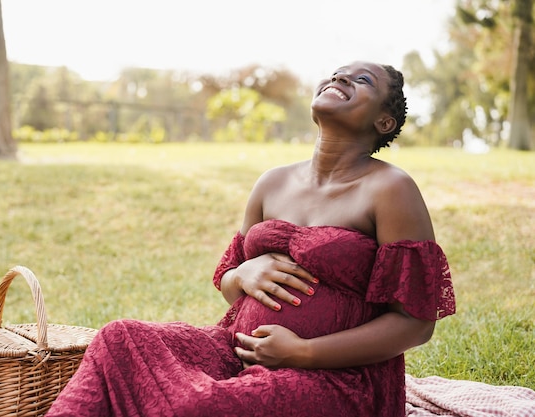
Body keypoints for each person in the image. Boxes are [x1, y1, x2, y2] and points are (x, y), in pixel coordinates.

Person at [46, 61, 456, 417]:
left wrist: (303, 352)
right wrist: (242, 273)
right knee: (119, 338)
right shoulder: (272, 182)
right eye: (336, 74)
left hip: (339, 379)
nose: (340, 78)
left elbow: (415, 324)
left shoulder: (391, 189)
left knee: (200, 406)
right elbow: (228, 285)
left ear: (383, 122)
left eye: (361, 79)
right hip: (238, 351)